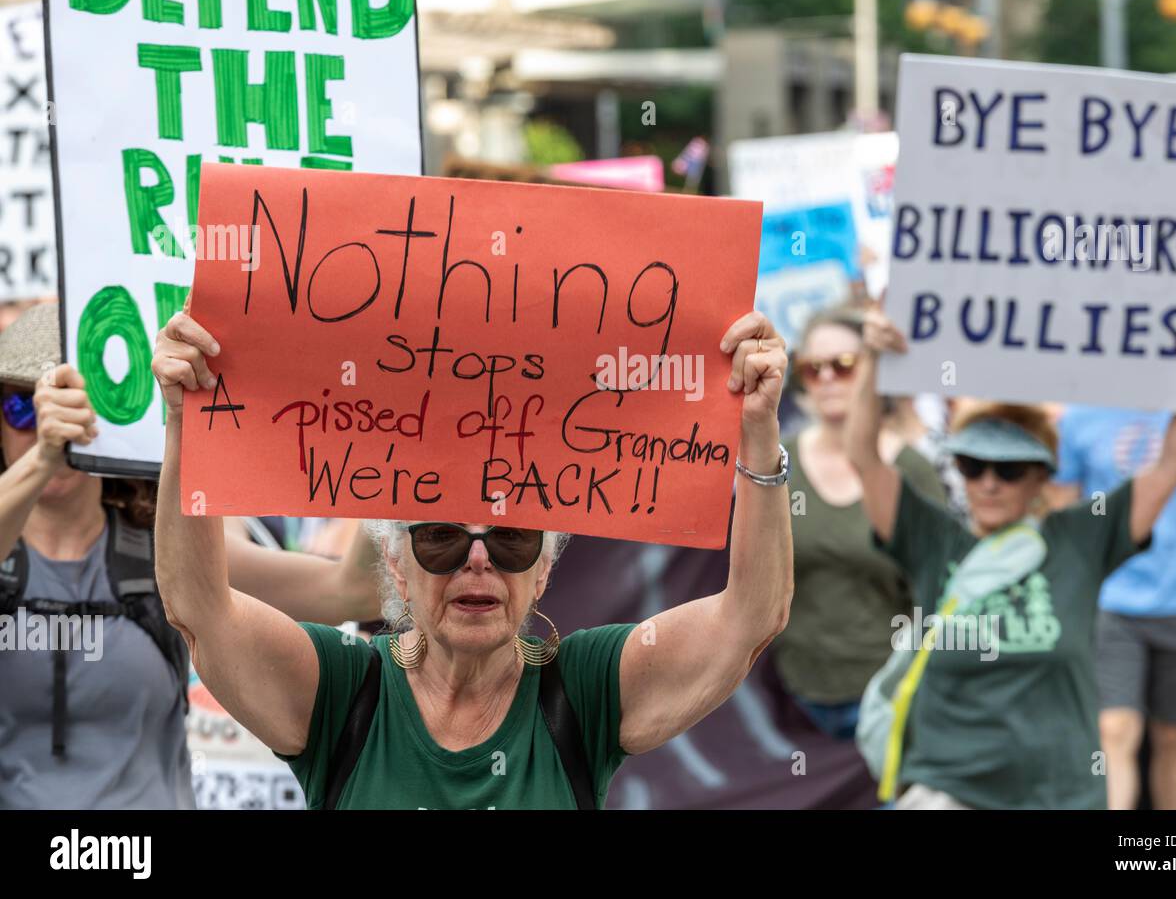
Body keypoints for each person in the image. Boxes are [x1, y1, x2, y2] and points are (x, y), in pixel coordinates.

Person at [150, 307, 794, 809]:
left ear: (544, 569)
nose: (477, 562)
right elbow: (200, 607)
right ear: (396, 565)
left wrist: (758, 434)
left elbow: (751, 615)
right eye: (441, 539)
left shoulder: (583, 691)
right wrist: (185, 421)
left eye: (512, 541)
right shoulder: (343, 690)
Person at [0, 302, 382, 809]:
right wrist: (45, 459)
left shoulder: (166, 550)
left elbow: (351, 591)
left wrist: (391, 437)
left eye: (80, 400)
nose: (56, 423)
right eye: (24, 408)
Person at [845, 304, 1176, 809]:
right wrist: (871, 362)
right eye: (974, 466)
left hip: (1060, 793)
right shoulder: (932, 537)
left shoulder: (1081, 537)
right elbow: (863, 456)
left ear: (1043, 477)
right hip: (948, 790)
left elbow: (1171, 466)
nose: (990, 482)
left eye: (1011, 469)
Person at [1050, 355, 1176, 811]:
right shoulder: (1080, 413)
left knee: (1175, 735)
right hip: (1111, 600)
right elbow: (1062, 511)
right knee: (1114, 731)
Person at [776, 307, 945, 741]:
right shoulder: (776, 462)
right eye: (814, 368)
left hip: (893, 702)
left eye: (845, 365)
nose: (828, 378)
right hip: (793, 706)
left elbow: (941, 593)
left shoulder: (910, 471)